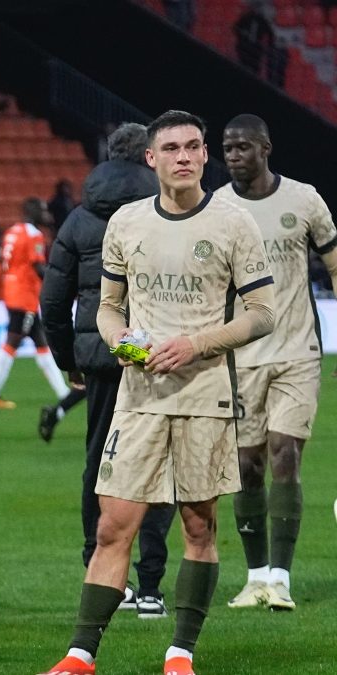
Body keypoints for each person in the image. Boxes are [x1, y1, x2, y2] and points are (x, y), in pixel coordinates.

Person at [39, 110, 275, 675]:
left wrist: (196, 344)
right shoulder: (125, 223)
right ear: (152, 158)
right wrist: (120, 340)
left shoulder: (233, 223)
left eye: (194, 146)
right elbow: (108, 308)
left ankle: (180, 654)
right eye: (171, 148)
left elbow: (263, 314)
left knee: (199, 525)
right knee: (111, 525)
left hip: (205, 396)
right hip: (139, 394)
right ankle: (80, 655)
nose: (185, 157)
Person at [39, 122, 176, 619]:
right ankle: (152, 587)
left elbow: (52, 302)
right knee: (161, 465)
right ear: (148, 156)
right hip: (160, 354)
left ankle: (99, 574)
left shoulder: (78, 220)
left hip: (100, 357)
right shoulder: (169, 211)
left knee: (100, 462)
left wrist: (67, 359)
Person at [216, 114, 337, 611]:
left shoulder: (304, 199)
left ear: (266, 147)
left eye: (243, 146)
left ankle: (282, 580)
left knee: (285, 452)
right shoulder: (217, 207)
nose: (233, 154)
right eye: (226, 148)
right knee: (247, 466)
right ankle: (256, 577)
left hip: (296, 350)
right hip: (241, 358)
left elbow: (333, 263)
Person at [0, 197, 80, 411]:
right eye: (43, 210)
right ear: (34, 212)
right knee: (12, 343)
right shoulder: (34, 235)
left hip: (12, 290)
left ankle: (65, 393)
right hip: (24, 295)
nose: (47, 214)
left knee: (41, 344)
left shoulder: (13, 230)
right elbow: (37, 267)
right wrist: (62, 283)